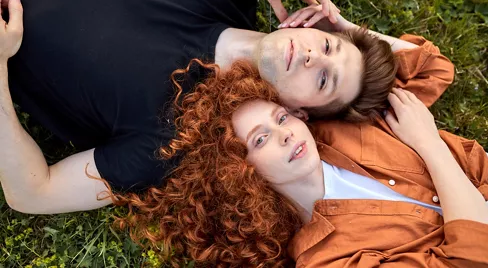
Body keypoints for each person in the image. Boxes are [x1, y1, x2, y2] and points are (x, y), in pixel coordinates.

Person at [0, 0, 419, 213]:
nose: (315, 57)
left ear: (302, 112)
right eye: (329, 45)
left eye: (324, 79)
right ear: (313, 23)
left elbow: (34, 192)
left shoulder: (171, 138)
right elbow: (430, 64)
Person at [114, 60, 488, 267]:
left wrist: (335, 35)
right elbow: (472, 259)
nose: (286, 134)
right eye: (260, 139)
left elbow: (429, 68)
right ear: (239, 173)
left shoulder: (346, 126)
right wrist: (429, 146)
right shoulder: (325, 258)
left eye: (281, 118)